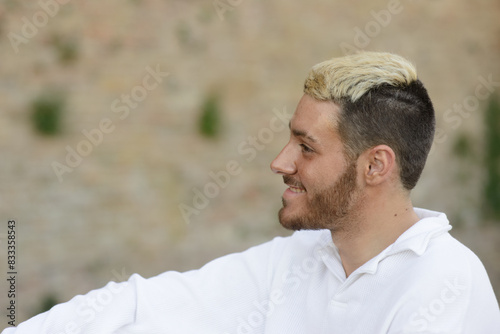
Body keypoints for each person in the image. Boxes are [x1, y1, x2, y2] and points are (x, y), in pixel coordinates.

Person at [3, 51, 500, 333]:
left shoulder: (446, 283)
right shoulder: (302, 259)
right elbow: (140, 308)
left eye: (306, 147)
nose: (280, 162)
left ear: (376, 165)